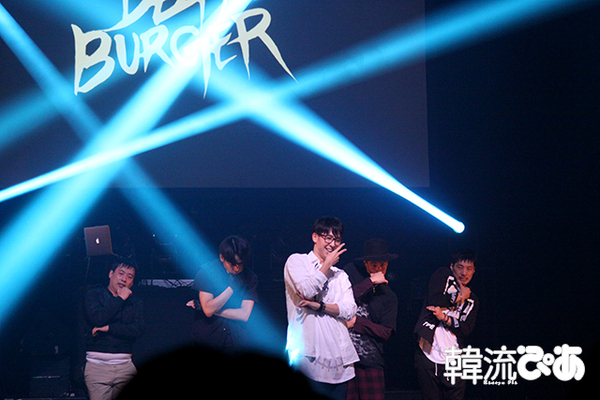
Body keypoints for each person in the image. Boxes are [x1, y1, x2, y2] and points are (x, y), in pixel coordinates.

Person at [284, 217, 359, 400]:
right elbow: (306, 291)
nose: (332, 244)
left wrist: (320, 306)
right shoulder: (297, 261)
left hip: (339, 362)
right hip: (307, 360)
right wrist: (326, 265)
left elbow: (349, 310)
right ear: (315, 237)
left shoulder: (341, 275)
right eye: (328, 238)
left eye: (337, 239)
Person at [414, 249, 479, 400]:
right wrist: (458, 297)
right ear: (452, 266)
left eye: (469, 269)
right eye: (460, 267)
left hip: (454, 357)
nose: (464, 273)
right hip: (428, 354)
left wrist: (445, 318)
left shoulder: (473, 300)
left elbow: (466, 329)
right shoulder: (442, 276)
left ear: (474, 271)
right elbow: (434, 300)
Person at [343, 239, 398, 400]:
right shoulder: (351, 273)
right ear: (365, 263)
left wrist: (357, 322)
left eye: (383, 265)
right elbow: (341, 298)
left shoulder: (389, 296)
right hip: (343, 359)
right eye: (374, 265)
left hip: (370, 360)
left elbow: (386, 331)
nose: (379, 269)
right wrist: (370, 282)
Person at [83, 261, 145, 400]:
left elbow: (137, 329)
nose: (124, 279)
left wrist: (109, 328)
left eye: (129, 276)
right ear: (111, 274)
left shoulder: (134, 302)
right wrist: (120, 298)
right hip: (97, 366)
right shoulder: (94, 294)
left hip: (125, 366)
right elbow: (98, 318)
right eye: (121, 273)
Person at [187, 235, 258, 352]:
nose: (237, 268)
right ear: (222, 257)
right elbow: (208, 310)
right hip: (209, 338)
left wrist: (205, 308)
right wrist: (231, 289)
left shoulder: (250, 277)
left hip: (237, 339)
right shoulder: (207, 272)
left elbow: (244, 315)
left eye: (240, 264)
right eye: (232, 264)